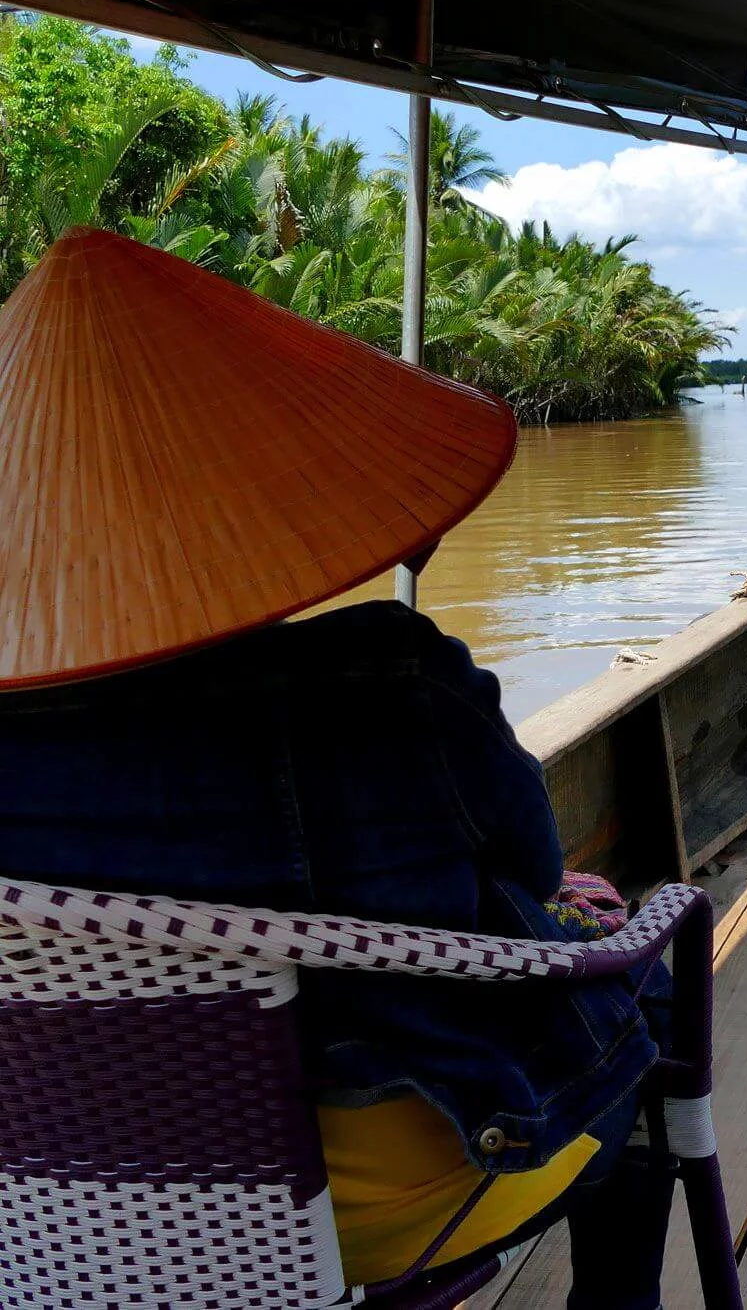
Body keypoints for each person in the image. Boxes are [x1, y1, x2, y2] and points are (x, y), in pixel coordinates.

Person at [0, 228, 674, 1306]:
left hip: (54, 1219)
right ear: (262, 492)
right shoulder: (395, 682)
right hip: (395, 1190)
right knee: (643, 999)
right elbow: (532, 864)